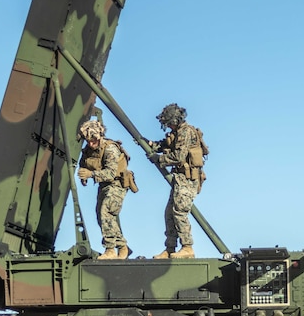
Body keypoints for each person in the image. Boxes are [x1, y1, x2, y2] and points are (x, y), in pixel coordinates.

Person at [148, 103, 208, 259]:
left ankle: (187, 247)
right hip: (180, 178)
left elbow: (178, 157)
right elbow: (167, 144)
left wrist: (159, 159)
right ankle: (170, 248)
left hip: (188, 178)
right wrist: (153, 145)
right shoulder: (177, 132)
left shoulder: (186, 132)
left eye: (169, 122)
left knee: (180, 211)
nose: (168, 126)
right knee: (169, 212)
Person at [77, 119, 137, 260]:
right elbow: (83, 163)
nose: (91, 144)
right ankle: (123, 246)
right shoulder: (88, 150)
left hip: (117, 184)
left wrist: (91, 174)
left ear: (99, 137)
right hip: (103, 185)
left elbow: (110, 173)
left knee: (106, 212)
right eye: (88, 141)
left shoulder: (110, 149)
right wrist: (83, 175)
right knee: (102, 217)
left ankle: (110, 249)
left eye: (93, 141)